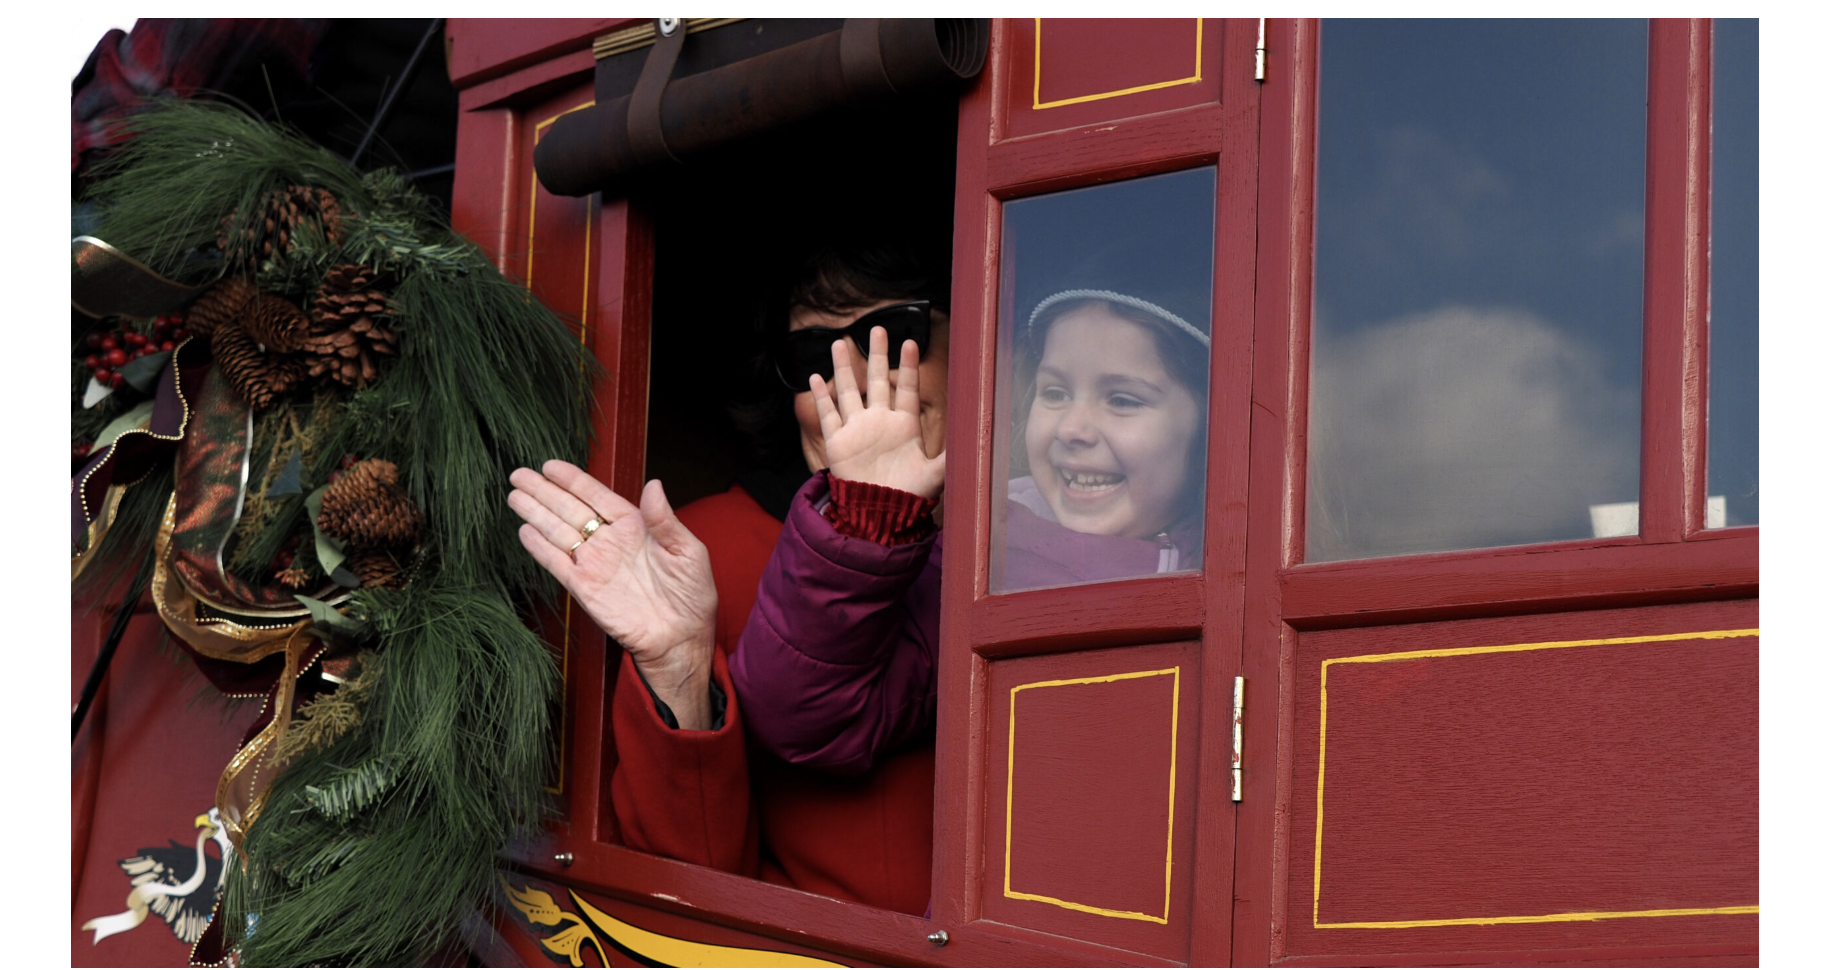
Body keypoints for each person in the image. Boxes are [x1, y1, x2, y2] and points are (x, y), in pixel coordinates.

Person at [505, 245, 947, 914]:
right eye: (814, 355)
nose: (854, 374)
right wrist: (680, 669)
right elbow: (685, 894)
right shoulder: (702, 547)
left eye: (899, 335)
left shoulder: (1054, 525)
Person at [997, 289, 1209, 591]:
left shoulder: (1239, 559)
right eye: (1056, 393)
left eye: (1122, 401)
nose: (1070, 429)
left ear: (1207, 428)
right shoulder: (979, 546)